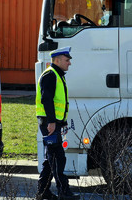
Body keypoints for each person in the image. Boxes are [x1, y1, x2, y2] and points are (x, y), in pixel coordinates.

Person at [36, 47, 80, 200]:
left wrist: (60, 122)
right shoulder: (50, 75)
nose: (69, 63)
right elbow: (46, 100)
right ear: (58, 60)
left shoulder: (57, 75)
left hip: (53, 123)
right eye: (67, 60)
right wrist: (52, 122)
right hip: (49, 123)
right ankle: (64, 192)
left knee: (51, 159)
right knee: (57, 157)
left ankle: (43, 192)